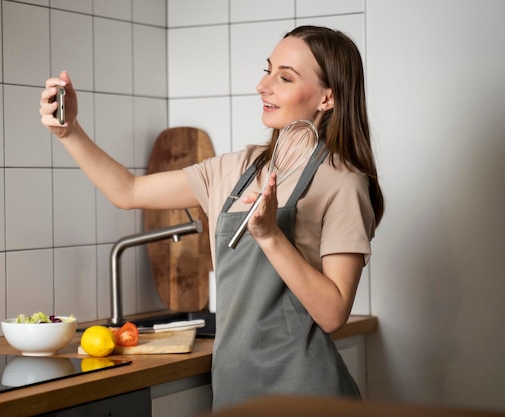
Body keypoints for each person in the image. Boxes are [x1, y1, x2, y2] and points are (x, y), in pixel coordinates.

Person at [40, 25, 384, 410]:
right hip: (235, 391)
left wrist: (270, 235)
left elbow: (334, 313)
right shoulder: (234, 169)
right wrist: (69, 133)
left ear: (327, 97)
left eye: (284, 77)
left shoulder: (343, 182)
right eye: (267, 69)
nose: (262, 85)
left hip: (307, 396)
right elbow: (128, 191)